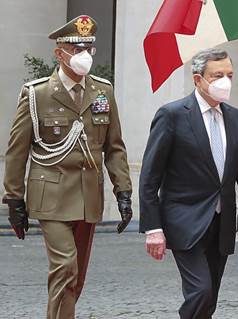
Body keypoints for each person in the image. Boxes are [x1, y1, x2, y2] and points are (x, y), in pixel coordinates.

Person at [2, 15, 133, 318]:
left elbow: (114, 147)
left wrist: (123, 191)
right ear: (59, 53)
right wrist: (13, 199)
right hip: (52, 194)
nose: (83, 55)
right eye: (76, 49)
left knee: (77, 275)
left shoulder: (103, 91)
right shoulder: (37, 94)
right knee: (65, 266)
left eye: (88, 48)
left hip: (88, 197)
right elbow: (17, 151)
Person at [138, 48, 238, 319]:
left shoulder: (236, 118)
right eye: (217, 75)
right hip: (184, 220)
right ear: (198, 79)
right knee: (200, 291)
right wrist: (153, 228)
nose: (225, 81)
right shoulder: (172, 115)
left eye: (230, 75)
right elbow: (150, 176)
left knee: (209, 298)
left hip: (221, 223)